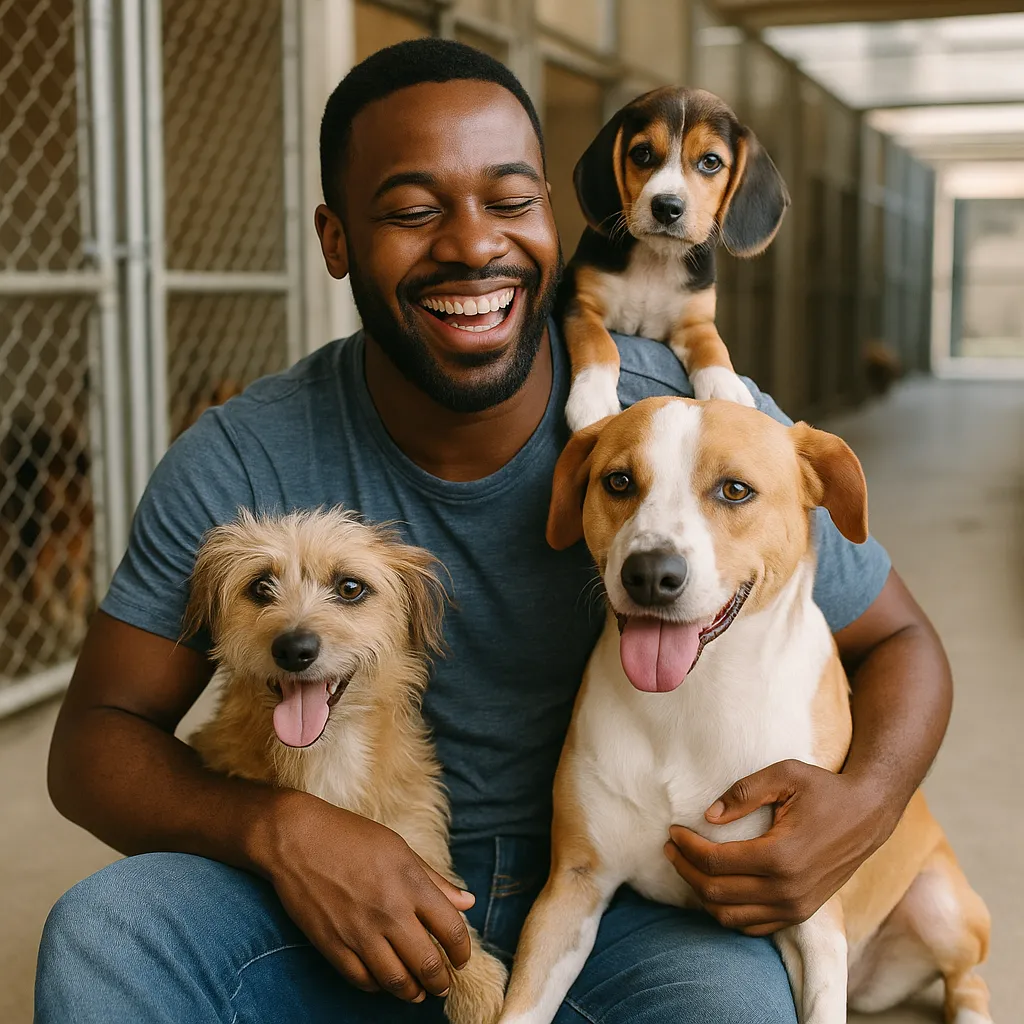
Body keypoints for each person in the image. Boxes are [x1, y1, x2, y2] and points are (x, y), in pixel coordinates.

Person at [35, 40, 951, 1024]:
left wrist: (860, 810)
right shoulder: (241, 458)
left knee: (730, 1011)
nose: (473, 245)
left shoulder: (690, 425)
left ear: (553, 223)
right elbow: (94, 741)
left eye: (511, 201)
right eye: (412, 210)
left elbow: (900, 639)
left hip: (631, 896)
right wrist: (282, 832)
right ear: (336, 238)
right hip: (328, 878)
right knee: (104, 933)